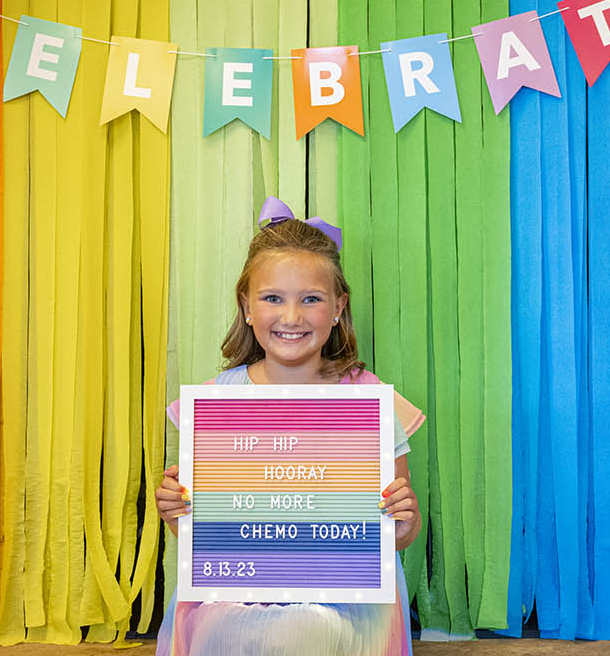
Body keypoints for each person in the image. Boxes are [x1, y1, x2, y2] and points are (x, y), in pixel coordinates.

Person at [154, 197, 425, 656]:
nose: (292, 317)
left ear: (338, 306)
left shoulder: (367, 400)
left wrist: (403, 523)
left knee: (307, 631)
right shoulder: (220, 400)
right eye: (273, 298)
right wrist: (178, 513)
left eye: (311, 300)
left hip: (344, 599)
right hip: (239, 596)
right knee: (245, 631)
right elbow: (209, 543)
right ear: (246, 306)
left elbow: (394, 533)